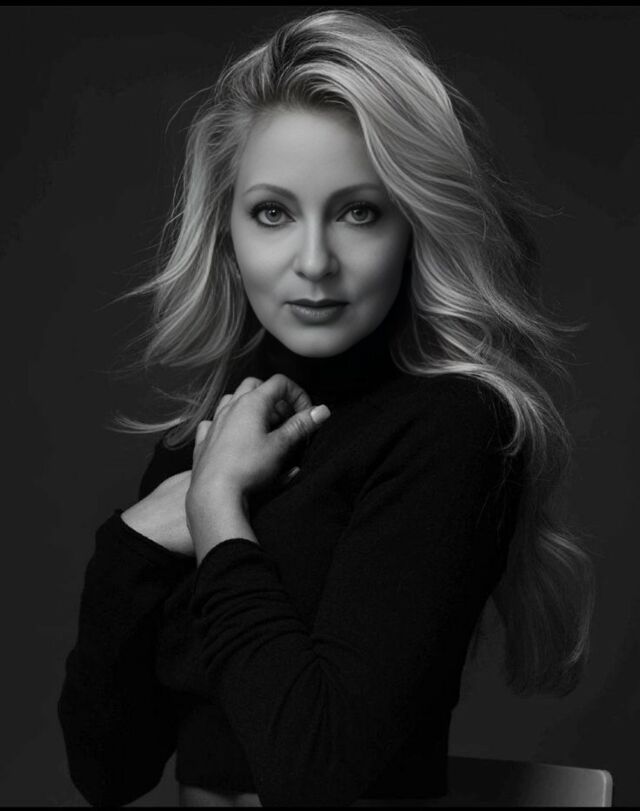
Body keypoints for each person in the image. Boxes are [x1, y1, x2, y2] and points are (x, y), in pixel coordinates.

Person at [58, 8, 596, 808]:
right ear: (228, 235)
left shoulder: (454, 428)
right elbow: (108, 772)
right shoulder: (218, 430)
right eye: (272, 212)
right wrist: (131, 542)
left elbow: (319, 776)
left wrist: (217, 512)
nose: (314, 261)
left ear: (414, 225)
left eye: (359, 211)